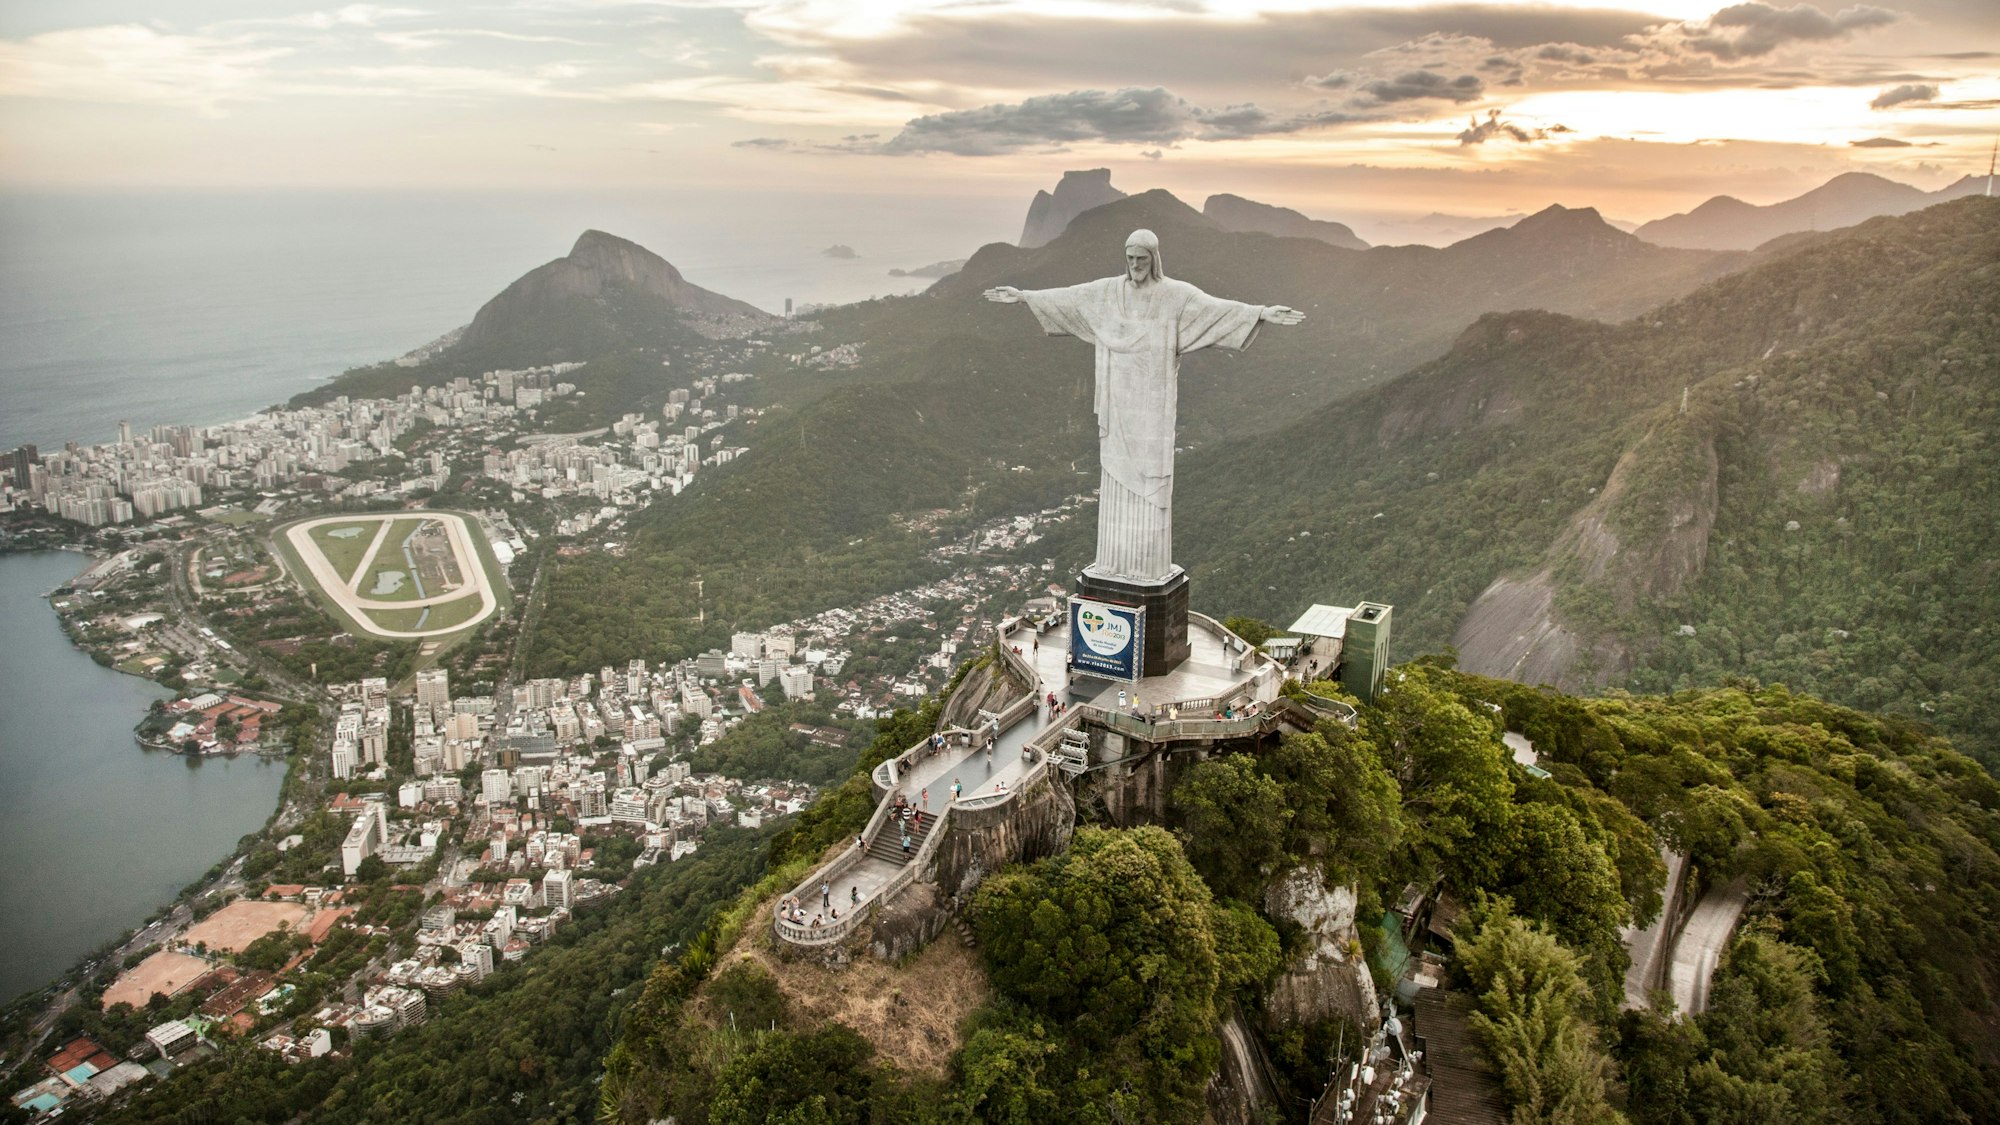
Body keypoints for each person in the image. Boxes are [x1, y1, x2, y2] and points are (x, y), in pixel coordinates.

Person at [985, 229, 1303, 583]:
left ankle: (1146, 568)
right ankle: (1113, 563)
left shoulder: (1174, 296)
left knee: (1151, 481)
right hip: (1117, 403)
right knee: (1116, 477)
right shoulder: (1107, 292)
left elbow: (1215, 309)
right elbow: (1070, 298)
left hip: (1151, 407)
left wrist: (1260, 313)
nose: (1135, 265)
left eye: (1142, 259)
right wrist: (1024, 297)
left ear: (1154, 259)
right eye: (1131, 258)